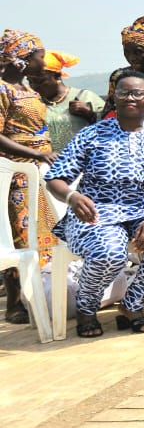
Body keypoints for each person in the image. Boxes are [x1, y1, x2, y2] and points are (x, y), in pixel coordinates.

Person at [43, 71, 144, 337]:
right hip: (96, 211)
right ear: (113, 97)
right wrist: (72, 197)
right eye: (123, 92)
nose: (130, 98)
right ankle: (86, 308)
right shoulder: (92, 134)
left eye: (138, 93)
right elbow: (56, 178)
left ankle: (132, 304)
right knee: (110, 251)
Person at [0, 30, 56, 324]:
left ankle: (44, 295)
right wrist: (35, 154)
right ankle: (15, 303)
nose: (43, 62)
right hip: (16, 174)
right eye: (39, 56)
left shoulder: (28, 89)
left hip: (39, 171)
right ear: (20, 59)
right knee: (18, 236)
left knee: (42, 233)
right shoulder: (2, 89)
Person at [30, 51, 103, 153]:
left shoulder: (85, 97)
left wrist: (90, 114)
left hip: (83, 159)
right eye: (30, 81)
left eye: (40, 81)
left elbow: (112, 126)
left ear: (57, 76)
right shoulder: (33, 104)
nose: (35, 86)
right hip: (49, 161)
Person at [103, 16, 144, 118]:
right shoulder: (118, 76)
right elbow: (109, 112)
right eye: (126, 52)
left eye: (138, 52)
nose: (132, 57)